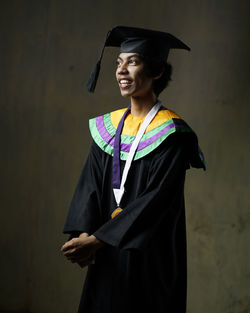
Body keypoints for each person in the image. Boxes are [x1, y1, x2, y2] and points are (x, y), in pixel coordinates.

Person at [61, 26, 205, 313]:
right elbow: (90, 186)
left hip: (151, 258)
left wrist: (98, 239)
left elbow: (156, 201)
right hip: (106, 258)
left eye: (133, 61)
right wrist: (82, 235)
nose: (121, 71)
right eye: (118, 62)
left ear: (157, 71)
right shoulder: (109, 129)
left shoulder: (172, 134)